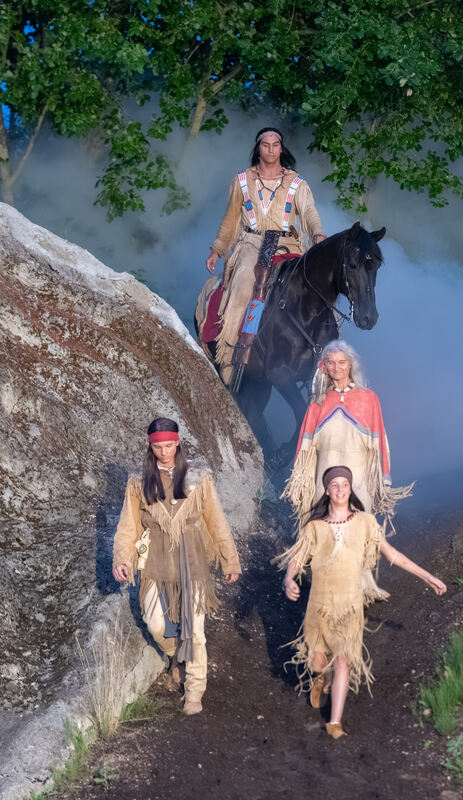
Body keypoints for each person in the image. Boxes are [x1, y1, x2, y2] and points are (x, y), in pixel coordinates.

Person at [279, 465, 446, 739]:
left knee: (343, 660)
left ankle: (334, 722)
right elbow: (296, 559)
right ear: (327, 490)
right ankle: (322, 676)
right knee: (317, 663)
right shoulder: (314, 528)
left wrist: (428, 577)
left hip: (350, 606)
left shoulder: (366, 522)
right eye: (335, 485)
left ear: (350, 488)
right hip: (319, 607)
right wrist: (289, 580)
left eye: (344, 484)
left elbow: (393, 555)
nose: (340, 489)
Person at [112, 417, 241, 715]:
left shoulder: (198, 478)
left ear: (178, 442)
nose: (164, 452)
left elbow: (216, 520)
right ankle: (176, 655)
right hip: (155, 560)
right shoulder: (138, 482)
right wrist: (122, 559)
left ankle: (194, 691)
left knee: (195, 631)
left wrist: (229, 559)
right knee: (155, 622)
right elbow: (128, 527)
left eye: (169, 445)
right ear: (150, 446)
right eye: (158, 447)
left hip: (192, 557)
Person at [283, 339, 411, 600]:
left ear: (351, 364)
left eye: (342, 362)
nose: (337, 368)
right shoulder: (317, 403)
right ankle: (325, 585)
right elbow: (305, 448)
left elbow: (379, 443)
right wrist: (300, 482)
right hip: (324, 476)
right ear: (325, 366)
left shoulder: (368, 399)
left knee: (358, 527)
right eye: (331, 363)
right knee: (323, 526)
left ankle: (360, 586)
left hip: (359, 475)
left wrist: (382, 480)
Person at [204, 127, 326, 384]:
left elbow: (309, 212)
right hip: (251, 242)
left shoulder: (297, 183)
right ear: (258, 148)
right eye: (265, 144)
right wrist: (218, 249)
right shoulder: (242, 180)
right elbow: (230, 220)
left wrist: (317, 234)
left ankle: (322, 361)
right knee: (243, 286)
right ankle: (230, 357)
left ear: (281, 148)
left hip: (288, 244)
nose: (270, 149)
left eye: (275, 144)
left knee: (314, 289)